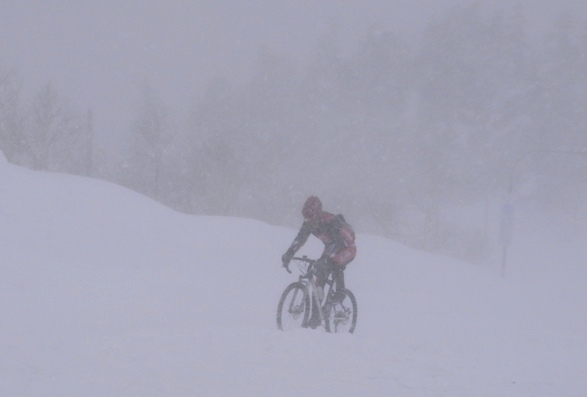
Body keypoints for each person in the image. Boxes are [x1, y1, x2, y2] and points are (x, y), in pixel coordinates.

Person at [281, 196, 356, 328]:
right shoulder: (309, 224)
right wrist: (288, 255)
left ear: (318, 213)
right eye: (307, 217)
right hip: (331, 248)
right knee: (318, 281)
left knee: (335, 264)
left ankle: (340, 293)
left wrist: (327, 261)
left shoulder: (330, 221)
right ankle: (316, 317)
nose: (310, 221)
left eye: (312, 217)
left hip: (346, 247)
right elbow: (299, 240)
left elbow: (339, 242)